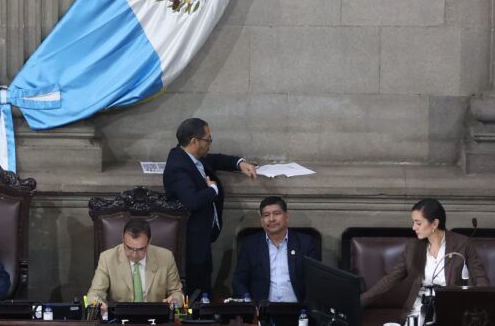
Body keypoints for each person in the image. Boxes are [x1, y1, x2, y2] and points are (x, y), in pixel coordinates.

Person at [162, 118, 256, 298]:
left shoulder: (190, 156)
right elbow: (192, 201)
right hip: (192, 246)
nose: (210, 144)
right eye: (208, 140)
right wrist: (212, 189)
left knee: (205, 284)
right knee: (198, 292)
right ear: (194, 141)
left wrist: (240, 163)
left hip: (203, 238)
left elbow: (216, 159)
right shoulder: (178, 167)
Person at [360, 198, 490, 322]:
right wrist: (358, 302)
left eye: (418, 223)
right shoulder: (413, 247)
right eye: (413, 223)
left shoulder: (463, 244)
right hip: (419, 311)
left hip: (451, 310)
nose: (414, 228)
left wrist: (475, 307)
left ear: (434, 223)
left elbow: (481, 279)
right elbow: (391, 279)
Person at [232, 196, 320, 302]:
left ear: (286, 216)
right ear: (262, 221)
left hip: (297, 309)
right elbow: (239, 281)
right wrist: (248, 302)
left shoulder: (306, 243)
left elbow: (315, 281)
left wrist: (307, 308)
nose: (271, 219)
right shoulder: (250, 244)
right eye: (266, 215)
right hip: (262, 309)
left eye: (276, 213)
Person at [87, 218, 183, 313]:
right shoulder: (107, 258)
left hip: (156, 316)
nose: (134, 255)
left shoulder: (166, 257)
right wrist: (98, 305)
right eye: (129, 248)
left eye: (140, 249)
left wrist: (175, 301)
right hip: (120, 317)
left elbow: (177, 292)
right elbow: (95, 293)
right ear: (123, 239)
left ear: (149, 241)